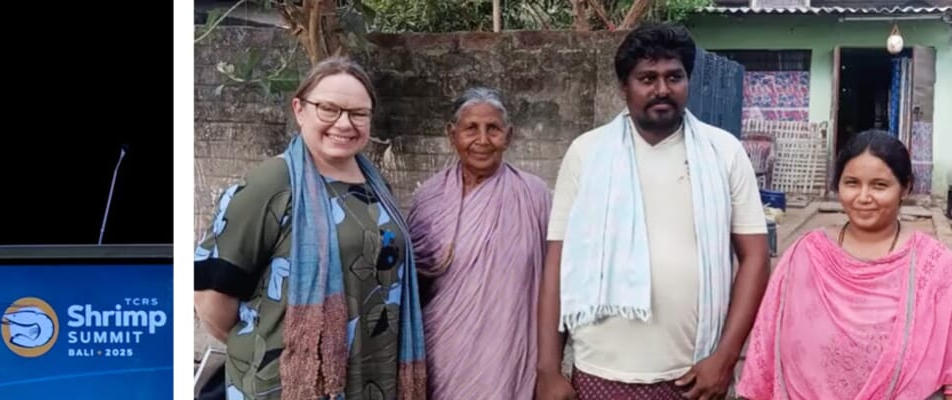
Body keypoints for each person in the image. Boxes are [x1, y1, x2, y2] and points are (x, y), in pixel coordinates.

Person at [536, 23, 771, 400]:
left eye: (673, 77)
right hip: (599, 370)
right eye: (647, 78)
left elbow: (756, 257)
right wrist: (548, 369)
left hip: (693, 374)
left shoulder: (722, 152)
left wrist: (725, 359)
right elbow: (557, 263)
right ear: (624, 87)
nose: (662, 89)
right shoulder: (587, 154)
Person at [193, 56, 427, 400]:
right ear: (299, 109)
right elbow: (210, 297)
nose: (344, 123)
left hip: (372, 378)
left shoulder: (376, 186)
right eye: (328, 109)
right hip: (288, 384)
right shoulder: (272, 184)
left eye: (358, 113)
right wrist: (282, 348)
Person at [736, 130, 952, 400]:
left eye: (879, 185)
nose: (863, 197)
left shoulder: (933, 266)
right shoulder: (806, 255)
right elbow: (766, 342)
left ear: (905, 188)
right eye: (851, 183)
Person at [405, 87, 550, 399]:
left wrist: (549, 365)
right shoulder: (428, 198)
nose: (482, 140)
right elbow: (411, 285)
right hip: (443, 353)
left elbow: (556, 283)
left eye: (493, 129)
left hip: (508, 356)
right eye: (471, 128)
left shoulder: (535, 196)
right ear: (452, 134)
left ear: (508, 136)